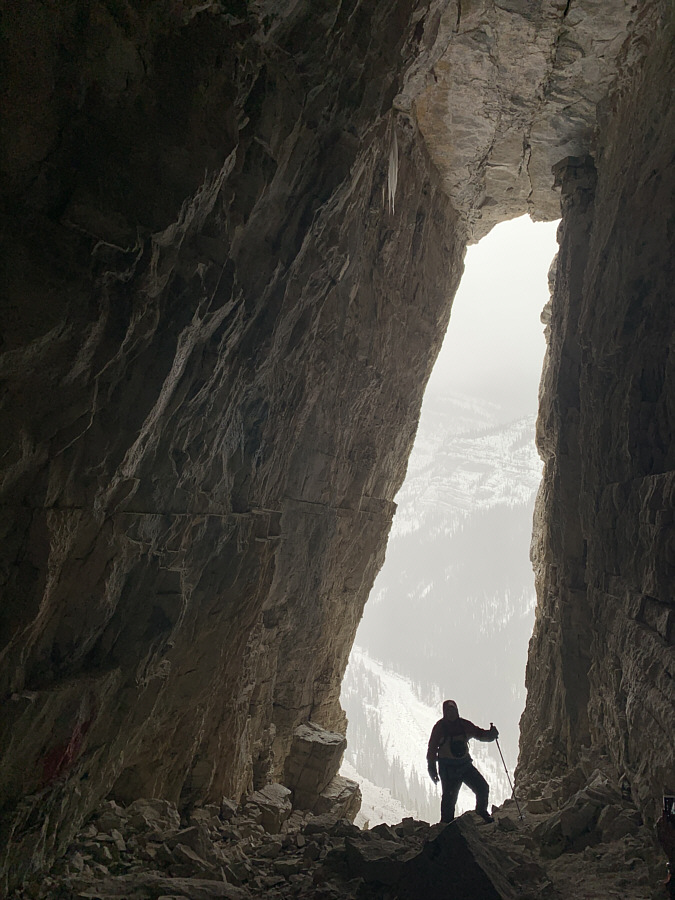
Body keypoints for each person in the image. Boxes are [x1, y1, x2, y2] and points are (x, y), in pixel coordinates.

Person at [427, 699, 499, 824]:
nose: (451, 713)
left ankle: (479, 811)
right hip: (453, 769)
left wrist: (490, 735)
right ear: (445, 712)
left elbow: (479, 733)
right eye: (449, 711)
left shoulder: (451, 726)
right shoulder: (447, 727)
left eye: (453, 710)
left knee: (482, 788)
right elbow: (432, 748)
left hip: (458, 767)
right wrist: (431, 767)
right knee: (450, 800)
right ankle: (447, 824)